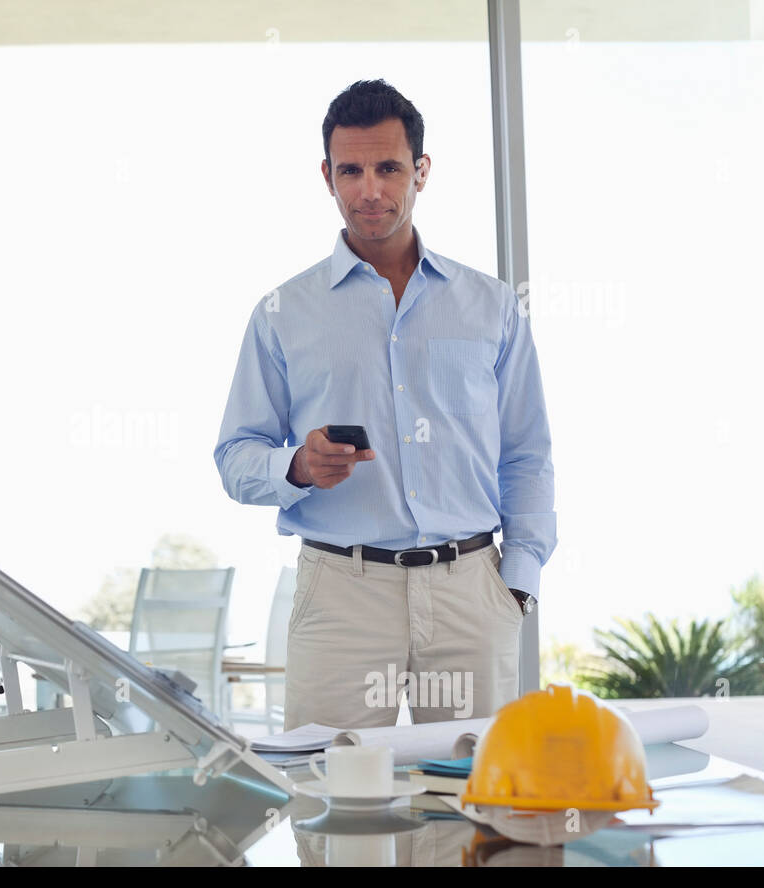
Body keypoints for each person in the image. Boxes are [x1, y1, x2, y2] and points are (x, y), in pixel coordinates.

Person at [213, 79, 555, 730]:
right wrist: (296, 467)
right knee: (333, 803)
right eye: (351, 170)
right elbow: (235, 457)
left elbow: (527, 451)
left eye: (389, 168)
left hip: (471, 592)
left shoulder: (490, 306)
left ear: (421, 172)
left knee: (476, 808)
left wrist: (519, 582)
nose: (369, 190)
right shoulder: (283, 313)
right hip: (342, 595)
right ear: (327, 176)